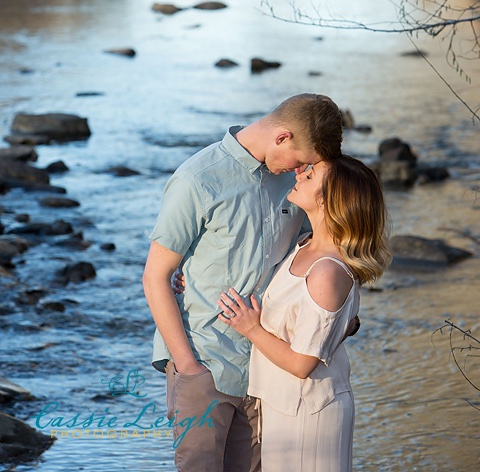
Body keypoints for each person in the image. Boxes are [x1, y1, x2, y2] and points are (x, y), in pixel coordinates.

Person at [142, 93, 344, 472]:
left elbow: (318, 250)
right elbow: (154, 276)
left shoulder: (294, 185)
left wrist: (343, 312)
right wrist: (187, 366)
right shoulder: (197, 179)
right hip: (205, 360)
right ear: (282, 137)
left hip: (267, 366)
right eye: (300, 161)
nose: (299, 171)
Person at [217, 155, 391, 472]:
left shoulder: (327, 271)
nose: (300, 176)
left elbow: (302, 363)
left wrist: (251, 328)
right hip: (284, 404)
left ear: (330, 202)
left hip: (309, 412)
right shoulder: (304, 243)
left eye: (310, 177)